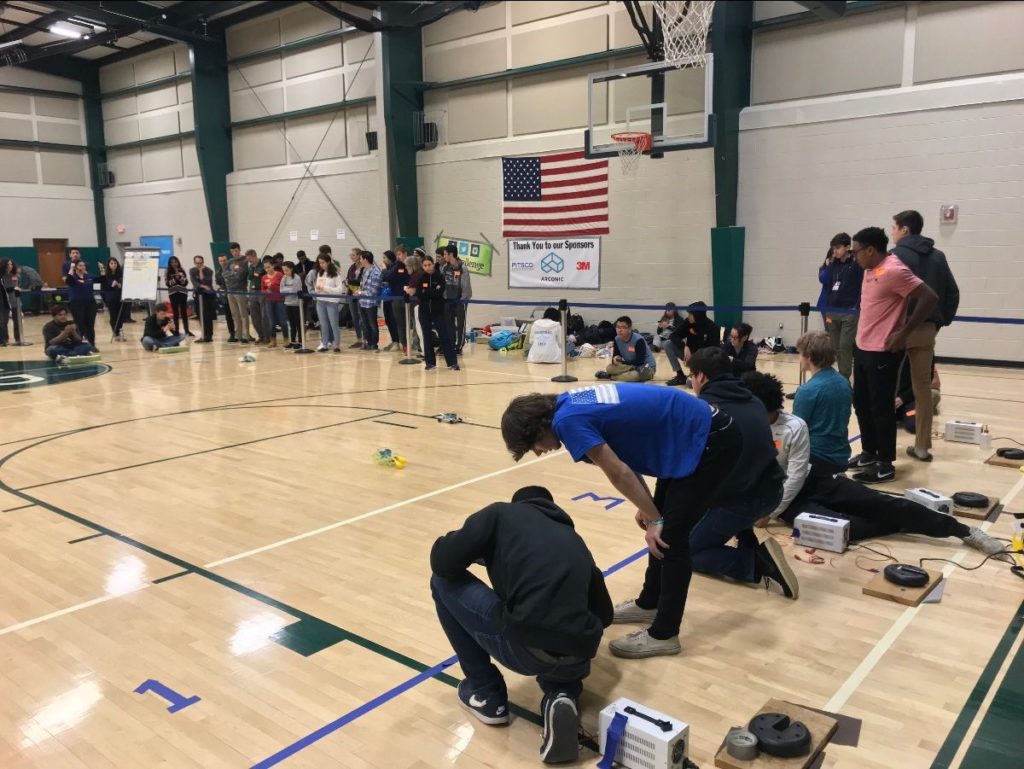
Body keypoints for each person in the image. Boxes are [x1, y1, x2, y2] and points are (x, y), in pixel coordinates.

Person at [500, 383, 741, 659]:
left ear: (537, 428)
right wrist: (648, 506)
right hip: (692, 433)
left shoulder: (567, 422)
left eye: (532, 445)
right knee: (661, 526)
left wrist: (653, 517)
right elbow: (624, 454)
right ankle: (649, 603)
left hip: (710, 438)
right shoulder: (565, 404)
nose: (538, 452)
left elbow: (618, 473)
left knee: (669, 538)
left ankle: (664, 634)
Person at [430, 486, 612, 764]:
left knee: (441, 582)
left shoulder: (501, 514)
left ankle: (486, 693)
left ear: (518, 504)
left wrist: (481, 549)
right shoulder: (573, 538)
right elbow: (605, 614)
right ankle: (562, 694)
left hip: (524, 647)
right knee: (560, 626)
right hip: (578, 656)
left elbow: (442, 562)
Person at [744, 370, 1006, 558]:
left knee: (881, 504)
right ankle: (904, 521)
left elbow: (797, 475)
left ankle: (964, 531)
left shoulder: (794, 427)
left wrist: (772, 511)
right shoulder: (747, 427)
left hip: (813, 481)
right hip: (785, 499)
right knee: (847, 530)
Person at [685, 348, 792, 597]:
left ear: (700, 377)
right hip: (772, 490)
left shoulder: (704, 410)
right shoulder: (753, 400)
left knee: (684, 552)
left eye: (692, 375)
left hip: (742, 501)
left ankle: (755, 563)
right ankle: (747, 539)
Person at [848, 226, 937, 484]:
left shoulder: (895, 270)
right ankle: (869, 453)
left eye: (856, 252)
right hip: (862, 346)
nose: (854, 257)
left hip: (883, 352)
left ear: (871, 250)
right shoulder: (868, 270)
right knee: (862, 404)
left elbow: (929, 297)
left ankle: (885, 464)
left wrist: (904, 332)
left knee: (881, 408)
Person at [891, 210, 960, 463]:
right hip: (927, 329)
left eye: (894, 228)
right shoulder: (938, 257)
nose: (892, 232)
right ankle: (921, 447)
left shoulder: (894, 256)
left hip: (897, 330)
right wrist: (940, 321)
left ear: (905, 230)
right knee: (922, 389)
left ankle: (884, 448)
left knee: (887, 386)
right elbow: (953, 293)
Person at [793, 331, 854, 475]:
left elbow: (795, 432)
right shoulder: (844, 382)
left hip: (816, 458)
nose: (798, 357)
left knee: (774, 444)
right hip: (841, 456)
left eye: (800, 354)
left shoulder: (807, 391)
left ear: (809, 357)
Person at [818, 232, 861, 379]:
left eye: (838, 248)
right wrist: (828, 266)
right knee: (835, 346)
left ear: (848, 247)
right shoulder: (832, 264)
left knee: (844, 345)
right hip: (832, 310)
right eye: (833, 248)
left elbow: (862, 285)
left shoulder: (856, 264)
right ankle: (840, 375)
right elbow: (825, 281)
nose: (834, 251)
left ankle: (844, 377)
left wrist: (857, 306)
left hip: (849, 311)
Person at [407, 255, 457, 370]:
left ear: (433, 264)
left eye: (429, 265)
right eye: (425, 265)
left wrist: (427, 292)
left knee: (444, 336)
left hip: (438, 311)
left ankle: (452, 362)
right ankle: (430, 363)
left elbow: (438, 293)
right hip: (424, 312)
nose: (427, 267)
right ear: (422, 266)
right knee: (426, 336)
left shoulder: (439, 277)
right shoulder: (421, 278)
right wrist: (429, 292)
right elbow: (419, 294)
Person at [664, 301, 720, 387]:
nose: (688, 316)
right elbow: (673, 335)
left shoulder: (713, 328)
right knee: (668, 344)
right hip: (688, 356)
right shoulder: (688, 322)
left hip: (703, 361)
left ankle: (695, 375)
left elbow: (714, 352)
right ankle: (680, 376)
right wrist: (685, 346)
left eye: (690, 314)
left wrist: (696, 360)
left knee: (690, 384)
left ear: (697, 315)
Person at [596, 316, 655, 382]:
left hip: (646, 368)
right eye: (618, 327)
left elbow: (640, 361)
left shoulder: (638, 340)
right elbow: (616, 356)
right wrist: (615, 359)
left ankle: (611, 376)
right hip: (630, 366)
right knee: (609, 368)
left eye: (623, 327)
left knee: (632, 376)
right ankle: (621, 374)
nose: (619, 330)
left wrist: (623, 362)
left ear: (629, 329)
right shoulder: (617, 339)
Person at [896, 360, 941, 434]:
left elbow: (933, 383)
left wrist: (903, 398)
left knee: (914, 425)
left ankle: (924, 410)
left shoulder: (921, 354)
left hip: (911, 398)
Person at [442, 244, 471, 354]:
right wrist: (444, 297)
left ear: (451, 254)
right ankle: (451, 344)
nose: (444, 256)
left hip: (459, 301)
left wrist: (463, 300)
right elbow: (444, 284)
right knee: (448, 324)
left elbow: (466, 287)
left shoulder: (463, 268)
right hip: (448, 301)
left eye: (445, 254)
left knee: (460, 325)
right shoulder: (445, 268)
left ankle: (459, 346)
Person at [313, 254, 344, 353]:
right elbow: (318, 286)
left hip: (332, 302)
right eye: (320, 263)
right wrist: (317, 289)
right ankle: (324, 343)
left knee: (334, 324)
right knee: (323, 324)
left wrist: (325, 288)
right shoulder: (320, 273)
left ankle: (336, 344)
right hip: (320, 301)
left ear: (328, 262)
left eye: (323, 262)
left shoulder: (335, 274)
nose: (321, 265)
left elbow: (339, 290)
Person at [65, 259, 98, 350]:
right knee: (80, 325)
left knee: (90, 325)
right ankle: (79, 345)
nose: (82, 267)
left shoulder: (89, 276)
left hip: (90, 303)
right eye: (80, 265)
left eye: (83, 265)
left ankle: (92, 345)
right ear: (76, 267)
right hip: (76, 304)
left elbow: (101, 279)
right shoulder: (73, 277)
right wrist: (71, 269)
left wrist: (102, 270)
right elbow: (68, 280)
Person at [381, 250, 409, 351]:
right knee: (393, 321)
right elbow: (384, 278)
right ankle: (400, 343)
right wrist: (385, 271)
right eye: (397, 254)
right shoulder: (393, 267)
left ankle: (407, 344)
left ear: (405, 254)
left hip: (403, 297)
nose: (398, 256)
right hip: (390, 297)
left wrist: (384, 270)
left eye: (400, 254)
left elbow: (388, 277)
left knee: (402, 322)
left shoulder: (400, 266)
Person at [222, 245, 250, 343]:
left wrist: (232, 275)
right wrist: (233, 274)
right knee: (235, 314)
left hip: (240, 290)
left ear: (239, 250)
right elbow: (224, 274)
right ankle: (239, 335)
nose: (235, 253)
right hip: (230, 291)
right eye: (233, 251)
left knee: (243, 313)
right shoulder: (229, 262)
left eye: (236, 251)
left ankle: (246, 335)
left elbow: (240, 275)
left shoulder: (244, 261)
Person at [355, 251, 381, 351]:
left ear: (365, 259)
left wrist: (360, 293)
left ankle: (374, 343)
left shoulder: (375, 273)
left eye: (360, 258)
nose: (360, 260)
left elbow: (373, 291)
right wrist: (358, 292)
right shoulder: (364, 271)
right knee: (364, 323)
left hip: (371, 303)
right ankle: (368, 342)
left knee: (372, 323)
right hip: (362, 302)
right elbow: (362, 285)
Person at [261, 260, 287, 349]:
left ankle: (286, 339)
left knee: (283, 321)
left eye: (268, 267)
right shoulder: (264, 277)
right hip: (269, 301)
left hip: (279, 300)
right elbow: (262, 289)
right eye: (265, 268)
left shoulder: (280, 275)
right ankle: (273, 340)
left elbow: (284, 287)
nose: (267, 269)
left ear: (273, 266)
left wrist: (274, 287)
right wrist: (266, 291)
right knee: (271, 322)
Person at [189, 255, 216, 343]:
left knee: (207, 316)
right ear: (194, 263)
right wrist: (201, 285)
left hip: (207, 296)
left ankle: (209, 335)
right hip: (198, 295)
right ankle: (204, 334)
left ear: (203, 262)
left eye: (200, 263)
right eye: (197, 263)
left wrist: (201, 272)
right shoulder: (192, 270)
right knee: (200, 315)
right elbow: (194, 282)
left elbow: (207, 282)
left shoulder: (209, 271)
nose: (199, 265)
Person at [342, 247, 364, 348]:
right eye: (351, 255)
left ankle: (365, 338)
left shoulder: (363, 267)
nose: (351, 256)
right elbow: (348, 278)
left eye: (353, 255)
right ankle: (359, 338)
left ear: (359, 255)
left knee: (361, 317)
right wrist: (346, 284)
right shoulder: (351, 267)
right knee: (354, 317)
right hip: (351, 294)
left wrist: (351, 283)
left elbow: (361, 281)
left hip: (360, 294)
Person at [100, 257, 126, 341]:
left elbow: (123, 285)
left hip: (120, 297)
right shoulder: (106, 275)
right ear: (108, 265)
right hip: (110, 298)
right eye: (111, 263)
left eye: (115, 263)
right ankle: (116, 332)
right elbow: (104, 287)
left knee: (121, 315)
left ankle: (120, 330)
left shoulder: (121, 274)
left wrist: (120, 285)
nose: (113, 265)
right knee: (113, 315)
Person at [164, 256, 192, 338]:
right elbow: (167, 284)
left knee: (184, 312)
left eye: (175, 262)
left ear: (178, 262)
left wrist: (180, 277)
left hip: (182, 293)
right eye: (172, 262)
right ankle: (176, 331)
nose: (174, 264)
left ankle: (187, 330)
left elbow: (185, 283)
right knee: (175, 313)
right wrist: (175, 279)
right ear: (170, 263)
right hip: (173, 294)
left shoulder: (182, 271)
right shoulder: (168, 272)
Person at [279, 261, 303, 349]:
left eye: (287, 270)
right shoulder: (284, 278)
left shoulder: (297, 278)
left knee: (298, 323)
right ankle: (292, 341)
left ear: (292, 269)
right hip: (287, 303)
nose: (285, 272)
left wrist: (287, 290)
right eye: (284, 270)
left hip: (296, 304)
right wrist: (288, 290)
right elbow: (281, 291)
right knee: (291, 323)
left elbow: (294, 291)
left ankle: (300, 341)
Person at [245, 250, 268, 344]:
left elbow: (258, 275)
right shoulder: (250, 267)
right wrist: (253, 274)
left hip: (262, 291)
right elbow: (250, 277)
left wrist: (254, 274)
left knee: (264, 316)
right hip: (253, 291)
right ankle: (260, 336)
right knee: (254, 316)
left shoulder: (263, 265)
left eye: (249, 258)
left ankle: (267, 336)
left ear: (254, 256)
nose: (248, 260)